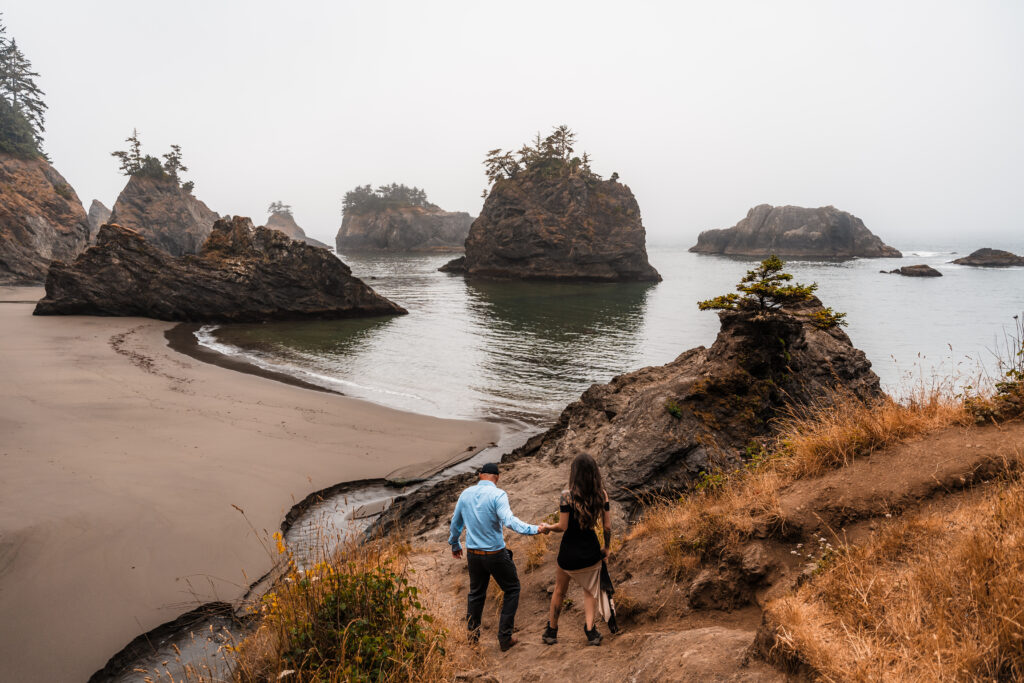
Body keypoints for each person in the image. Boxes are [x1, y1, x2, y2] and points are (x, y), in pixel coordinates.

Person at [448, 462, 549, 651]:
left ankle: (472, 639)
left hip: (473, 554)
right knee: (512, 589)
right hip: (495, 554)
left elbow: (456, 523)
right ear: (497, 477)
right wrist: (536, 529)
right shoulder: (498, 495)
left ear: (480, 475)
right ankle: (504, 638)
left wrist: (454, 543)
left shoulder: (465, 494)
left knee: (476, 594)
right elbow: (510, 522)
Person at [541, 453, 614, 646]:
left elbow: (563, 527)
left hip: (568, 554)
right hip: (590, 552)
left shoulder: (567, 496)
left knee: (559, 590)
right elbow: (607, 526)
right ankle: (590, 631)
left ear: (575, 473)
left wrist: (548, 527)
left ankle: (552, 631)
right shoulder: (602, 495)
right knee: (589, 591)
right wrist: (606, 547)